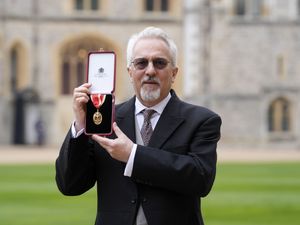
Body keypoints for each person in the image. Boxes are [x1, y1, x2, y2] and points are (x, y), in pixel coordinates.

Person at [55, 26, 222, 225]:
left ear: (174, 73)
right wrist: (81, 126)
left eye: (159, 63)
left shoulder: (202, 120)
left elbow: (201, 179)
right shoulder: (105, 118)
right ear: (130, 71)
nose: (150, 70)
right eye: (141, 63)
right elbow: (70, 185)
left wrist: (132, 155)